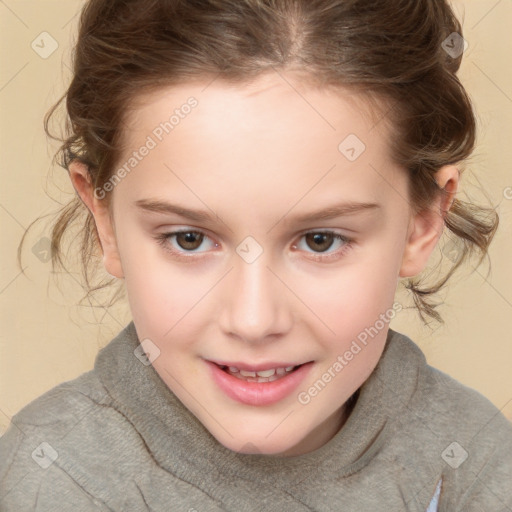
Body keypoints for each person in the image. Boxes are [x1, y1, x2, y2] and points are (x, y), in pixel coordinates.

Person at [1, 0, 511, 510]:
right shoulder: (53, 479)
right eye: (189, 239)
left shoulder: (475, 463)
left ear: (421, 223)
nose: (253, 320)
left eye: (320, 241)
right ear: (105, 221)